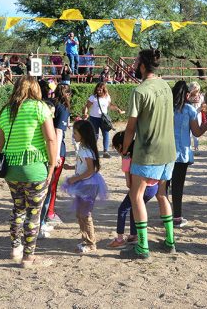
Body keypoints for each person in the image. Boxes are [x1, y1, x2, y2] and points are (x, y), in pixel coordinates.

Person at [0, 76, 57, 267]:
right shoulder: (40, 108)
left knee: (18, 208)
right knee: (34, 213)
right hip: (34, 166)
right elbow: (50, 139)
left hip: (11, 169)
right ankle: (29, 257)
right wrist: (52, 165)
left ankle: (15, 248)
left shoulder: (6, 111)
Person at [121, 49, 176, 259]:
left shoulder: (140, 91)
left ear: (143, 65)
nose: (134, 65)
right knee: (162, 195)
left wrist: (125, 149)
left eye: (136, 61)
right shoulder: (166, 86)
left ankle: (142, 247)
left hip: (148, 152)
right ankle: (170, 241)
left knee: (136, 196)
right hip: (169, 151)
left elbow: (130, 128)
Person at [170, 81, 207, 228]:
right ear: (186, 94)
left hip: (165, 152)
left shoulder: (167, 108)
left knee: (164, 186)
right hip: (182, 153)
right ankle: (177, 216)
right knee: (178, 186)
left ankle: (165, 213)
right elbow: (196, 132)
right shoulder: (189, 109)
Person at [61, 120, 108, 253]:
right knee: (80, 214)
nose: (73, 135)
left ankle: (91, 243)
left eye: (75, 133)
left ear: (83, 134)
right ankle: (85, 239)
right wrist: (72, 167)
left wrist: (75, 178)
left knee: (85, 214)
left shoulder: (86, 150)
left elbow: (90, 170)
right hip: (83, 183)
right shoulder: (82, 147)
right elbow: (84, 166)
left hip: (88, 184)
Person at [108, 132, 159, 248]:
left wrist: (124, 159)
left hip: (141, 188)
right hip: (153, 188)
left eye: (116, 148)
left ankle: (120, 239)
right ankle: (134, 235)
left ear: (121, 146)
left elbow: (128, 184)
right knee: (135, 208)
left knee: (122, 209)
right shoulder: (142, 153)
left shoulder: (127, 158)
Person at [39, 83, 72, 234]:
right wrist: (57, 154)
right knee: (51, 186)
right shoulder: (63, 108)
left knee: (45, 185)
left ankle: (46, 214)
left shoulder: (49, 104)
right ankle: (47, 215)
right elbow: (59, 132)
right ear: (68, 95)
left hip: (43, 148)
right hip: (56, 149)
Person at [83, 82, 125, 158]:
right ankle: (93, 151)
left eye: (101, 89)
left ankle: (105, 152)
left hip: (104, 119)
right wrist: (85, 113)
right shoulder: (93, 97)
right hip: (93, 119)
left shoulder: (107, 97)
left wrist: (118, 109)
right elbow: (87, 106)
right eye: (98, 89)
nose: (99, 90)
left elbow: (110, 105)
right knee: (95, 135)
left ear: (104, 90)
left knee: (106, 134)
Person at [186, 82, 205, 155]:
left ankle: (196, 148)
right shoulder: (188, 96)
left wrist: (201, 109)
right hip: (188, 115)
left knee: (196, 132)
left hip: (197, 115)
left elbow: (203, 105)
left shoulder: (201, 96)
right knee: (189, 133)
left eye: (196, 89)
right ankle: (189, 148)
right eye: (193, 88)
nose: (195, 90)